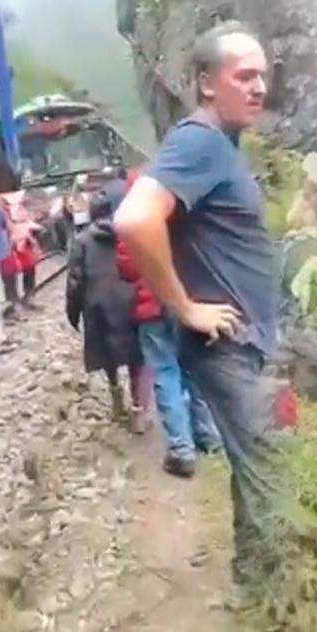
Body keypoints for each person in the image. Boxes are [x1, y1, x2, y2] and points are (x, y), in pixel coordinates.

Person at [114, 21, 283, 585]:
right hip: (227, 347)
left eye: (264, 75)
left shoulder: (221, 144)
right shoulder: (201, 141)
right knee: (270, 472)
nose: (259, 87)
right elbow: (135, 219)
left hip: (245, 339)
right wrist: (185, 307)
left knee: (257, 466)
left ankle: (256, 584)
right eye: (245, 76)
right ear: (207, 84)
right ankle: (272, 606)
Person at [117, 186, 222, 478]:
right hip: (190, 302)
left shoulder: (136, 204)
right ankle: (209, 437)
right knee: (195, 370)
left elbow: (125, 267)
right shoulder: (185, 199)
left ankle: (181, 450)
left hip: (152, 306)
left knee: (165, 372)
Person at [66, 195, 151, 430]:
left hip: (97, 304)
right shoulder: (128, 233)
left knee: (106, 354)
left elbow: (75, 280)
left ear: (92, 214)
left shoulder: (82, 240)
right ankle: (139, 412)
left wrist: (72, 312)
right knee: (137, 357)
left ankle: (116, 398)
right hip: (130, 300)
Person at [0, 191, 41, 316]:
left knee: (29, 266)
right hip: (6, 239)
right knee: (9, 271)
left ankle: (29, 295)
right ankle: (13, 301)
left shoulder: (18, 197)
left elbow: (27, 213)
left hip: (23, 236)